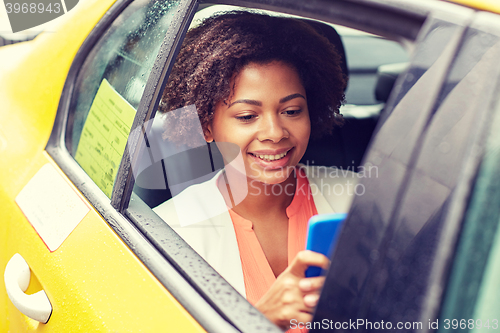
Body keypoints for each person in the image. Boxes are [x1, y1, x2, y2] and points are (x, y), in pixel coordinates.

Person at [154, 11, 356, 330]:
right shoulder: (168, 234)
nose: (275, 132)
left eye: (291, 111)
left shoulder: (362, 200)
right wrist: (258, 321)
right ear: (206, 125)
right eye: (247, 116)